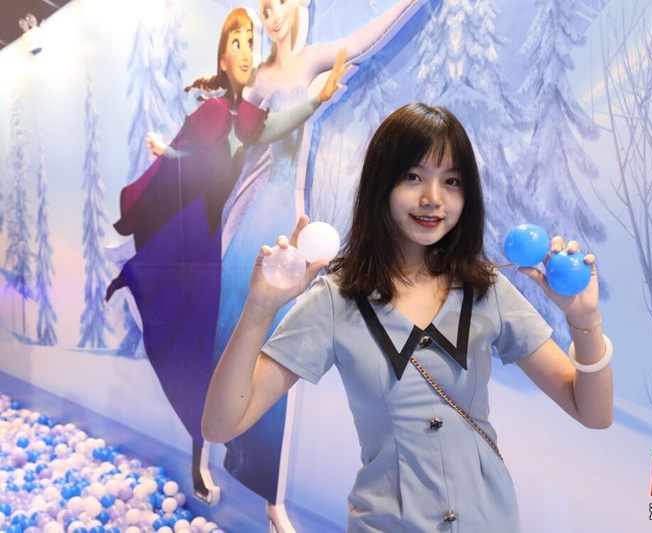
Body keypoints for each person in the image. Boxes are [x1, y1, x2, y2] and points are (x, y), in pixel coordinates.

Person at [203, 103, 613, 531]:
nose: (432, 198)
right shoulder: (336, 300)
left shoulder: (485, 289)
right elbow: (221, 424)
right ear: (381, 183)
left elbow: (593, 412)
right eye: (413, 176)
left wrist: (585, 318)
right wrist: (259, 310)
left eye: (451, 181)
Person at [105, 7, 349, 505]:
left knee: (202, 347)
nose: (245, 51)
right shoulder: (215, 111)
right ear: (222, 57)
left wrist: (317, 98)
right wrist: (167, 155)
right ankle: (200, 455)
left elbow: (272, 127)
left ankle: (204, 456)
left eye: (249, 43)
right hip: (194, 236)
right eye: (235, 43)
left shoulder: (244, 115)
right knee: (192, 340)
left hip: (212, 238)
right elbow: (189, 153)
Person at [212, 1, 426, 526]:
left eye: (279, 4)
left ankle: (271, 495)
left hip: (286, 220)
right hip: (250, 221)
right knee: (230, 338)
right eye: (264, 8)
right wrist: (312, 102)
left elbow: (365, 38)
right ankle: (213, 454)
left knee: (277, 352)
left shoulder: (308, 61)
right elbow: (244, 137)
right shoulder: (256, 79)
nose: (272, 16)